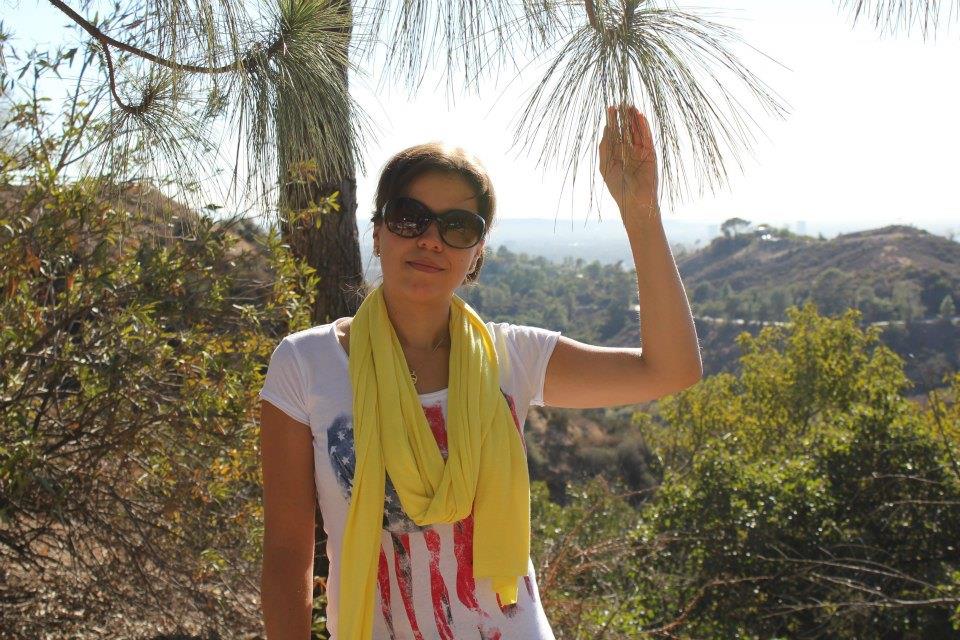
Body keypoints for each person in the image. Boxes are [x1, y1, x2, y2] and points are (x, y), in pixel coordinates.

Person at [258, 104, 702, 640]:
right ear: (377, 233)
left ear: (477, 254)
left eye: (458, 227)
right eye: (409, 218)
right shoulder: (304, 364)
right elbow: (287, 553)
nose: (430, 239)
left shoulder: (512, 357)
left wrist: (640, 210)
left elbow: (671, 370)